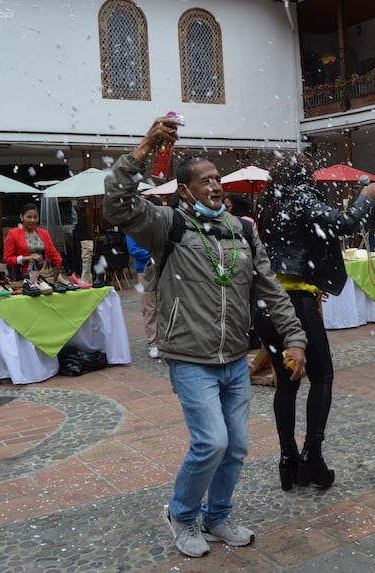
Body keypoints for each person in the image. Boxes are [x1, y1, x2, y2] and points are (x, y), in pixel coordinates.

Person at [103, 115, 307, 559]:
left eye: (218, 178)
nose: (215, 185)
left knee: (235, 446)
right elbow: (116, 204)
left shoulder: (243, 230)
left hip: (234, 358)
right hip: (190, 358)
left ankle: (217, 517)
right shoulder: (167, 225)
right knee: (210, 442)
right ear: (185, 190)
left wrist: (295, 338)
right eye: (205, 179)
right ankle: (181, 514)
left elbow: (270, 288)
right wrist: (143, 149)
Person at [253, 152, 375, 491]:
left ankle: (288, 460)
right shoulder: (299, 196)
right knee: (322, 375)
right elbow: (344, 223)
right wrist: (365, 198)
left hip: (266, 302)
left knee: (286, 382)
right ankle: (312, 456)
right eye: (310, 172)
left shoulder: (268, 200)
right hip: (294, 301)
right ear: (303, 176)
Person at [3, 202, 67, 295]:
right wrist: (26, 258)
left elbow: (54, 254)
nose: (32, 220)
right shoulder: (13, 234)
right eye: (29, 217)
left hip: (45, 275)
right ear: (21, 217)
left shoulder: (44, 233)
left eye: (35, 217)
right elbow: (7, 259)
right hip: (23, 277)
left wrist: (60, 271)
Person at [125, 234, 159, 359]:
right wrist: (153, 256)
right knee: (149, 306)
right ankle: (153, 342)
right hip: (146, 268)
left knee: (164, 304)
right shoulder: (133, 227)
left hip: (161, 267)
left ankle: (162, 340)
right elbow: (134, 250)